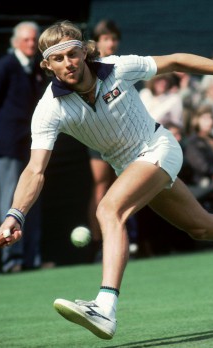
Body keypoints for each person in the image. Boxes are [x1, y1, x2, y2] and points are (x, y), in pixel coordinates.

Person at [0, 20, 213, 340]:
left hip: (160, 147)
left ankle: (105, 306)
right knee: (201, 226)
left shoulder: (118, 68)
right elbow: (35, 170)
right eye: (59, 58)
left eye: (73, 54)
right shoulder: (49, 109)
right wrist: (16, 214)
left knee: (109, 210)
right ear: (47, 65)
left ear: (84, 52)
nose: (68, 63)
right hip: (129, 167)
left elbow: (176, 61)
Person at [0, 21, 48, 273]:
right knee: (10, 201)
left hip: (31, 144)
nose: (31, 44)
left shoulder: (36, 69)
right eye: (27, 40)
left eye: (34, 40)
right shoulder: (4, 67)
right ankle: (12, 261)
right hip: (7, 143)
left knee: (31, 197)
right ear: (16, 42)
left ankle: (32, 259)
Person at [86, 19, 123, 258]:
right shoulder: (90, 66)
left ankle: (116, 238)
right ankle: (98, 242)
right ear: (97, 41)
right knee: (101, 185)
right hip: (97, 136)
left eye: (113, 38)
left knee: (117, 185)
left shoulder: (118, 66)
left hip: (119, 137)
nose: (111, 43)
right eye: (106, 38)